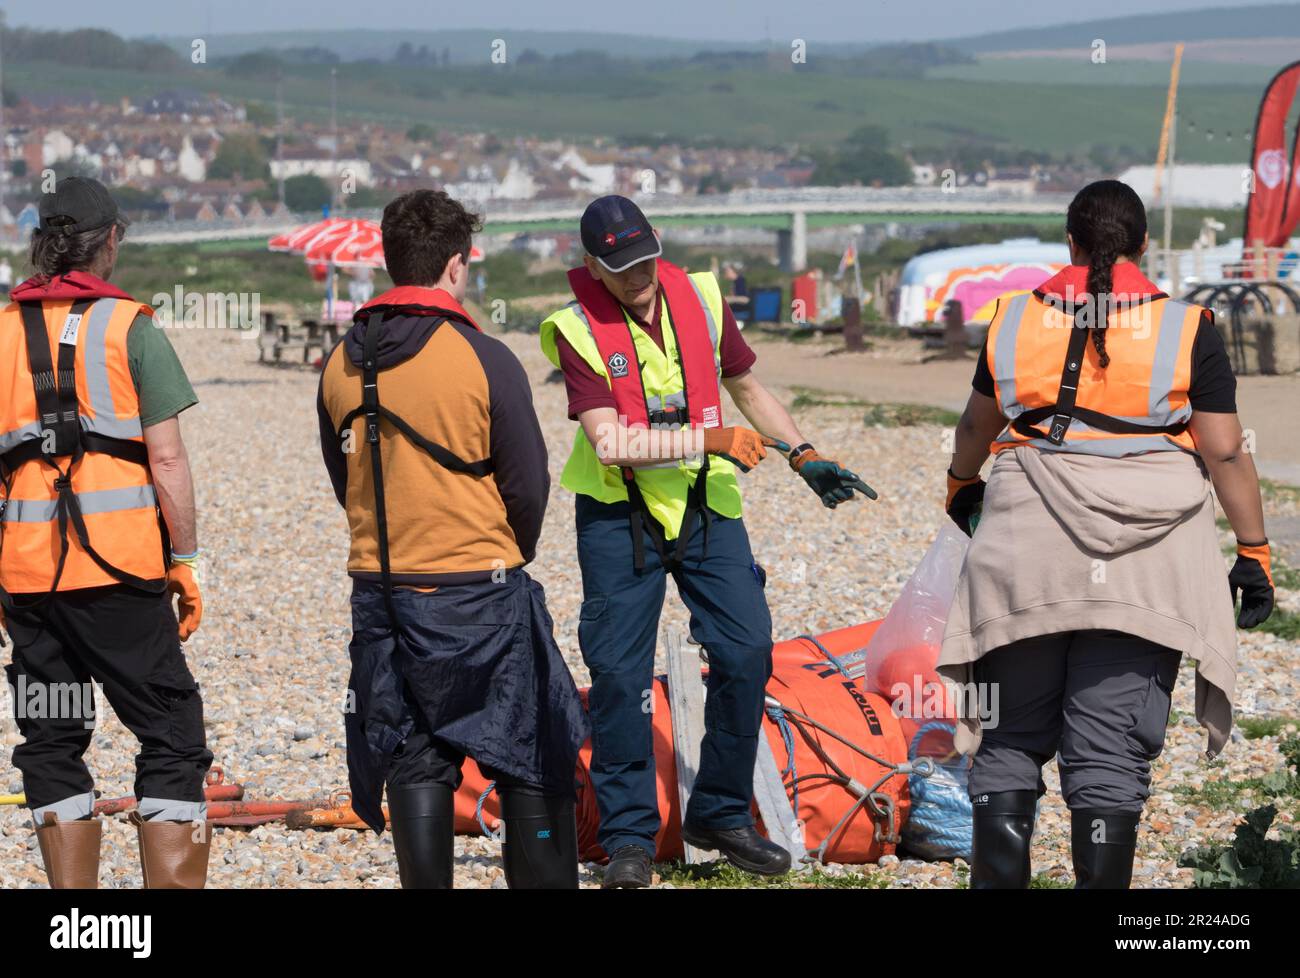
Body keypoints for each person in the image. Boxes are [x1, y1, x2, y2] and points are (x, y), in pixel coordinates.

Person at [938, 180, 1273, 889]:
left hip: (1025, 548)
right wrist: (1254, 551)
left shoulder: (1009, 318)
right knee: (1110, 748)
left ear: (1070, 241)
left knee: (1009, 736)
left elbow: (977, 426)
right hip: (1147, 561)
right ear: (1144, 246)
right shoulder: (1189, 328)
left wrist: (960, 484)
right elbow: (1224, 452)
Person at [539, 195, 875, 888]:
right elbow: (609, 443)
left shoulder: (703, 299)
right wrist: (713, 439)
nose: (638, 276)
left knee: (747, 650)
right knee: (620, 677)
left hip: (705, 506)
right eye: (620, 267)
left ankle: (719, 812)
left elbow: (747, 388)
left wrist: (803, 453)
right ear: (592, 267)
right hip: (618, 518)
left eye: (645, 259)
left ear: (658, 242)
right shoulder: (574, 330)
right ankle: (628, 839)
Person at [318, 189, 589, 889]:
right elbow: (528, 482)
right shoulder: (483, 356)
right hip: (478, 590)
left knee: (413, 754)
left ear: (388, 261)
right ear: (457, 267)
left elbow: (344, 475)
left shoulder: (339, 365)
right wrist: (503, 550)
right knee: (531, 749)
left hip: (381, 592)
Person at [1, 177, 211, 888]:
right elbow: (169, 459)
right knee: (170, 730)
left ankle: (75, 919)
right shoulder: (132, 329)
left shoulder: (0, 334)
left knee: (52, 738)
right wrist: (184, 558)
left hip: (29, 585)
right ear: (110, 241)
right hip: (122, 580)